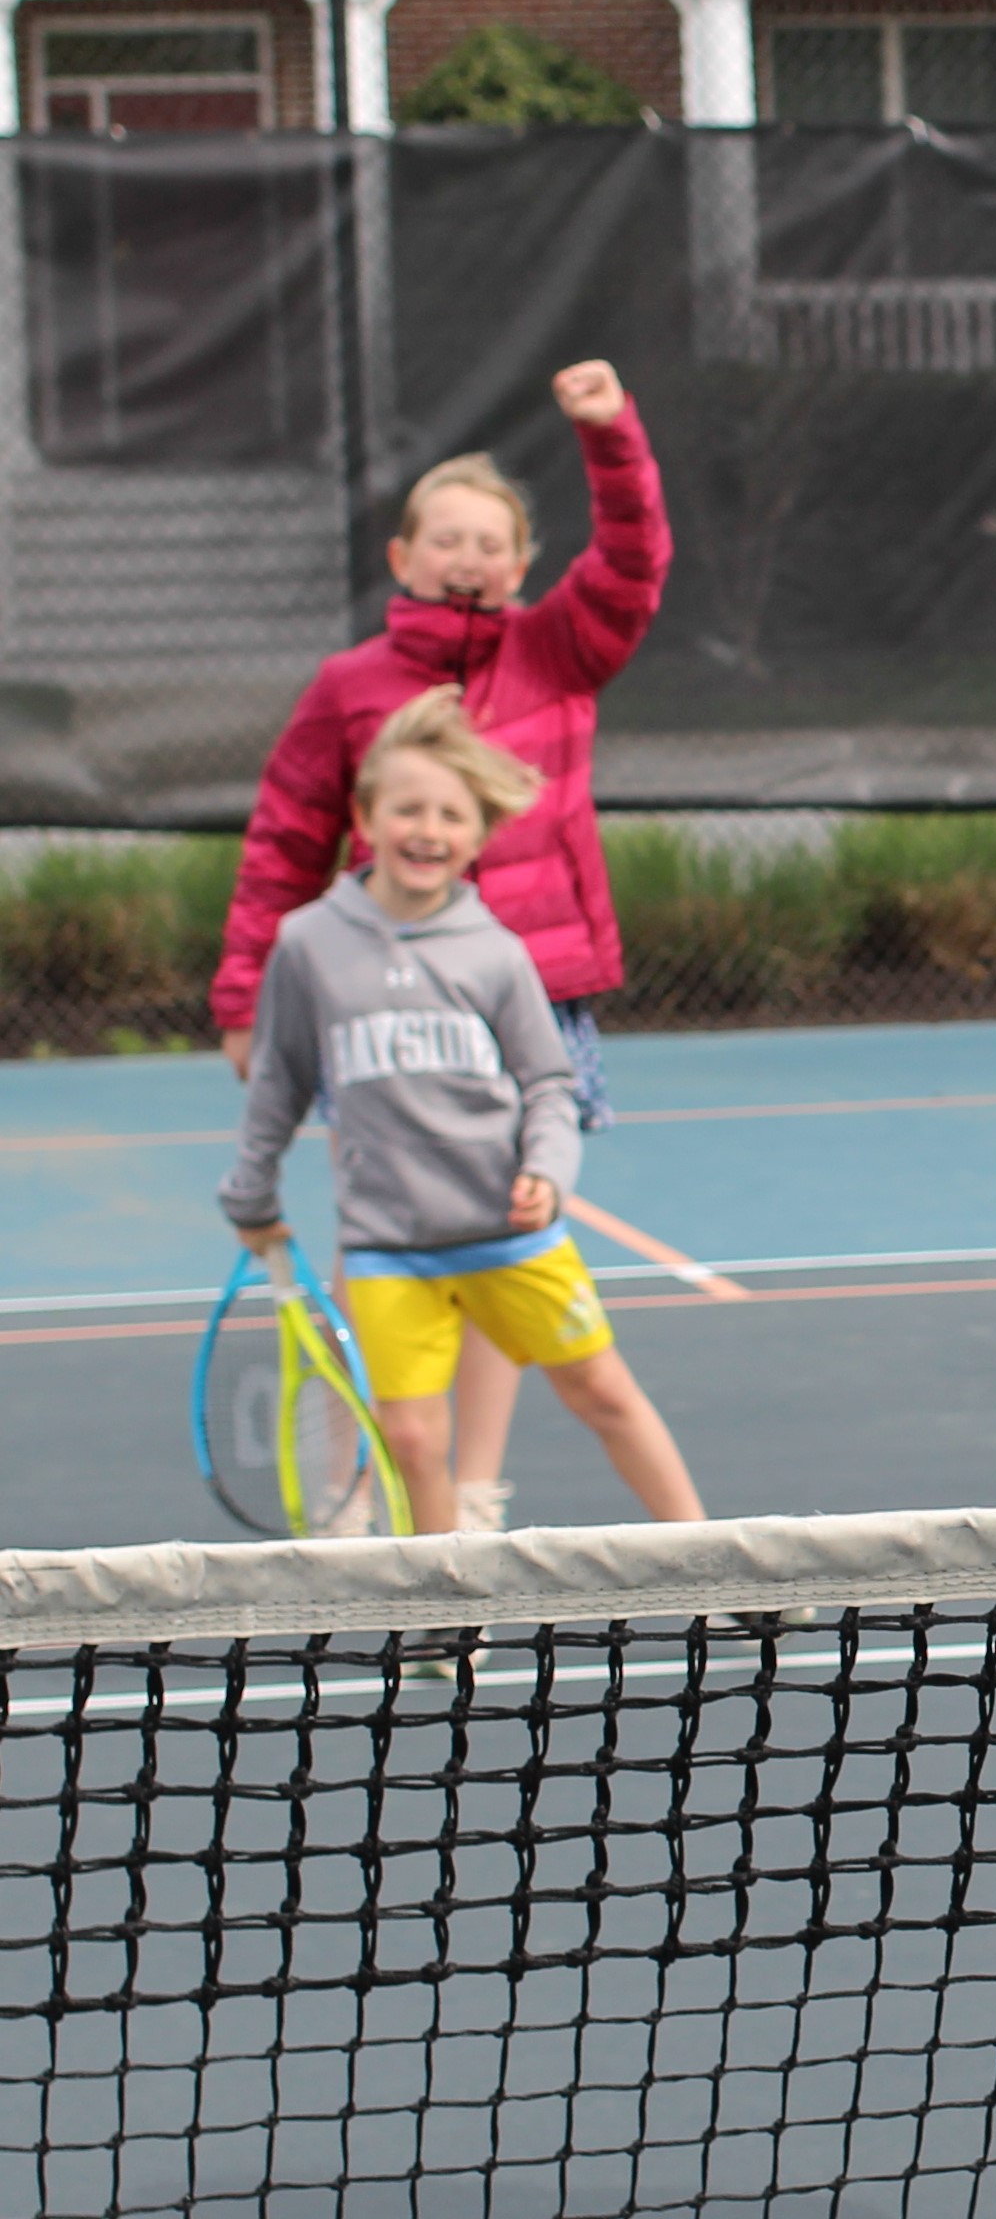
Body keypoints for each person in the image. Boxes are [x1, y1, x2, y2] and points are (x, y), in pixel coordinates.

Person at [215, 360, 670, 1536]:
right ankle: (421, 1475)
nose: (467, 556)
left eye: (490, 540)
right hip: (384, 1002)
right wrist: (241, 992)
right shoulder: (349, 687)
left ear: (520, 567)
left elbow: (632, 561)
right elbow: (284, 840)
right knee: (427, 1240)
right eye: (445, 536)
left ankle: (472, 1485)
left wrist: (610, 434)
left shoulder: (562, 647)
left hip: (535, 997)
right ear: (402, 559)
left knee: (500, 1237)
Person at [214, 691, 706, 1610]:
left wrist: (548, 1173)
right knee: (409, 1439)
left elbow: (549, 1085)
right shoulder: (308, 946)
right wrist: (250, 1191)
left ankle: (719, 1563)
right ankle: (451, 1610)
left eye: (450, 814)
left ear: (479, 835)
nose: (427, 829)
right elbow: (278, 1083)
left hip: (511, 1240)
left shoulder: (497, 952)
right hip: (387, 1251)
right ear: (364, 820)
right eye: (407, 808)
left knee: (602, 1392)